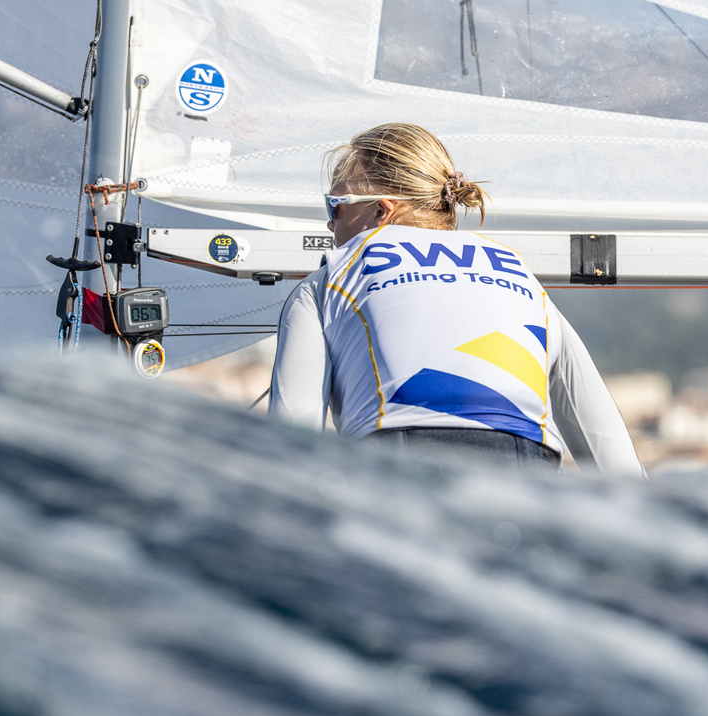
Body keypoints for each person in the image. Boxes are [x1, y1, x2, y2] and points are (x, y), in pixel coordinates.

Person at [269, 123, 642, 475]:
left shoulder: (328, 279)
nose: (330, 223)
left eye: (335, 206)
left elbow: (289, 450)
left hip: (397, 465)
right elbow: (613, 459)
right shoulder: (523, 277)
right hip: (527, 473)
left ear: (381, 211)